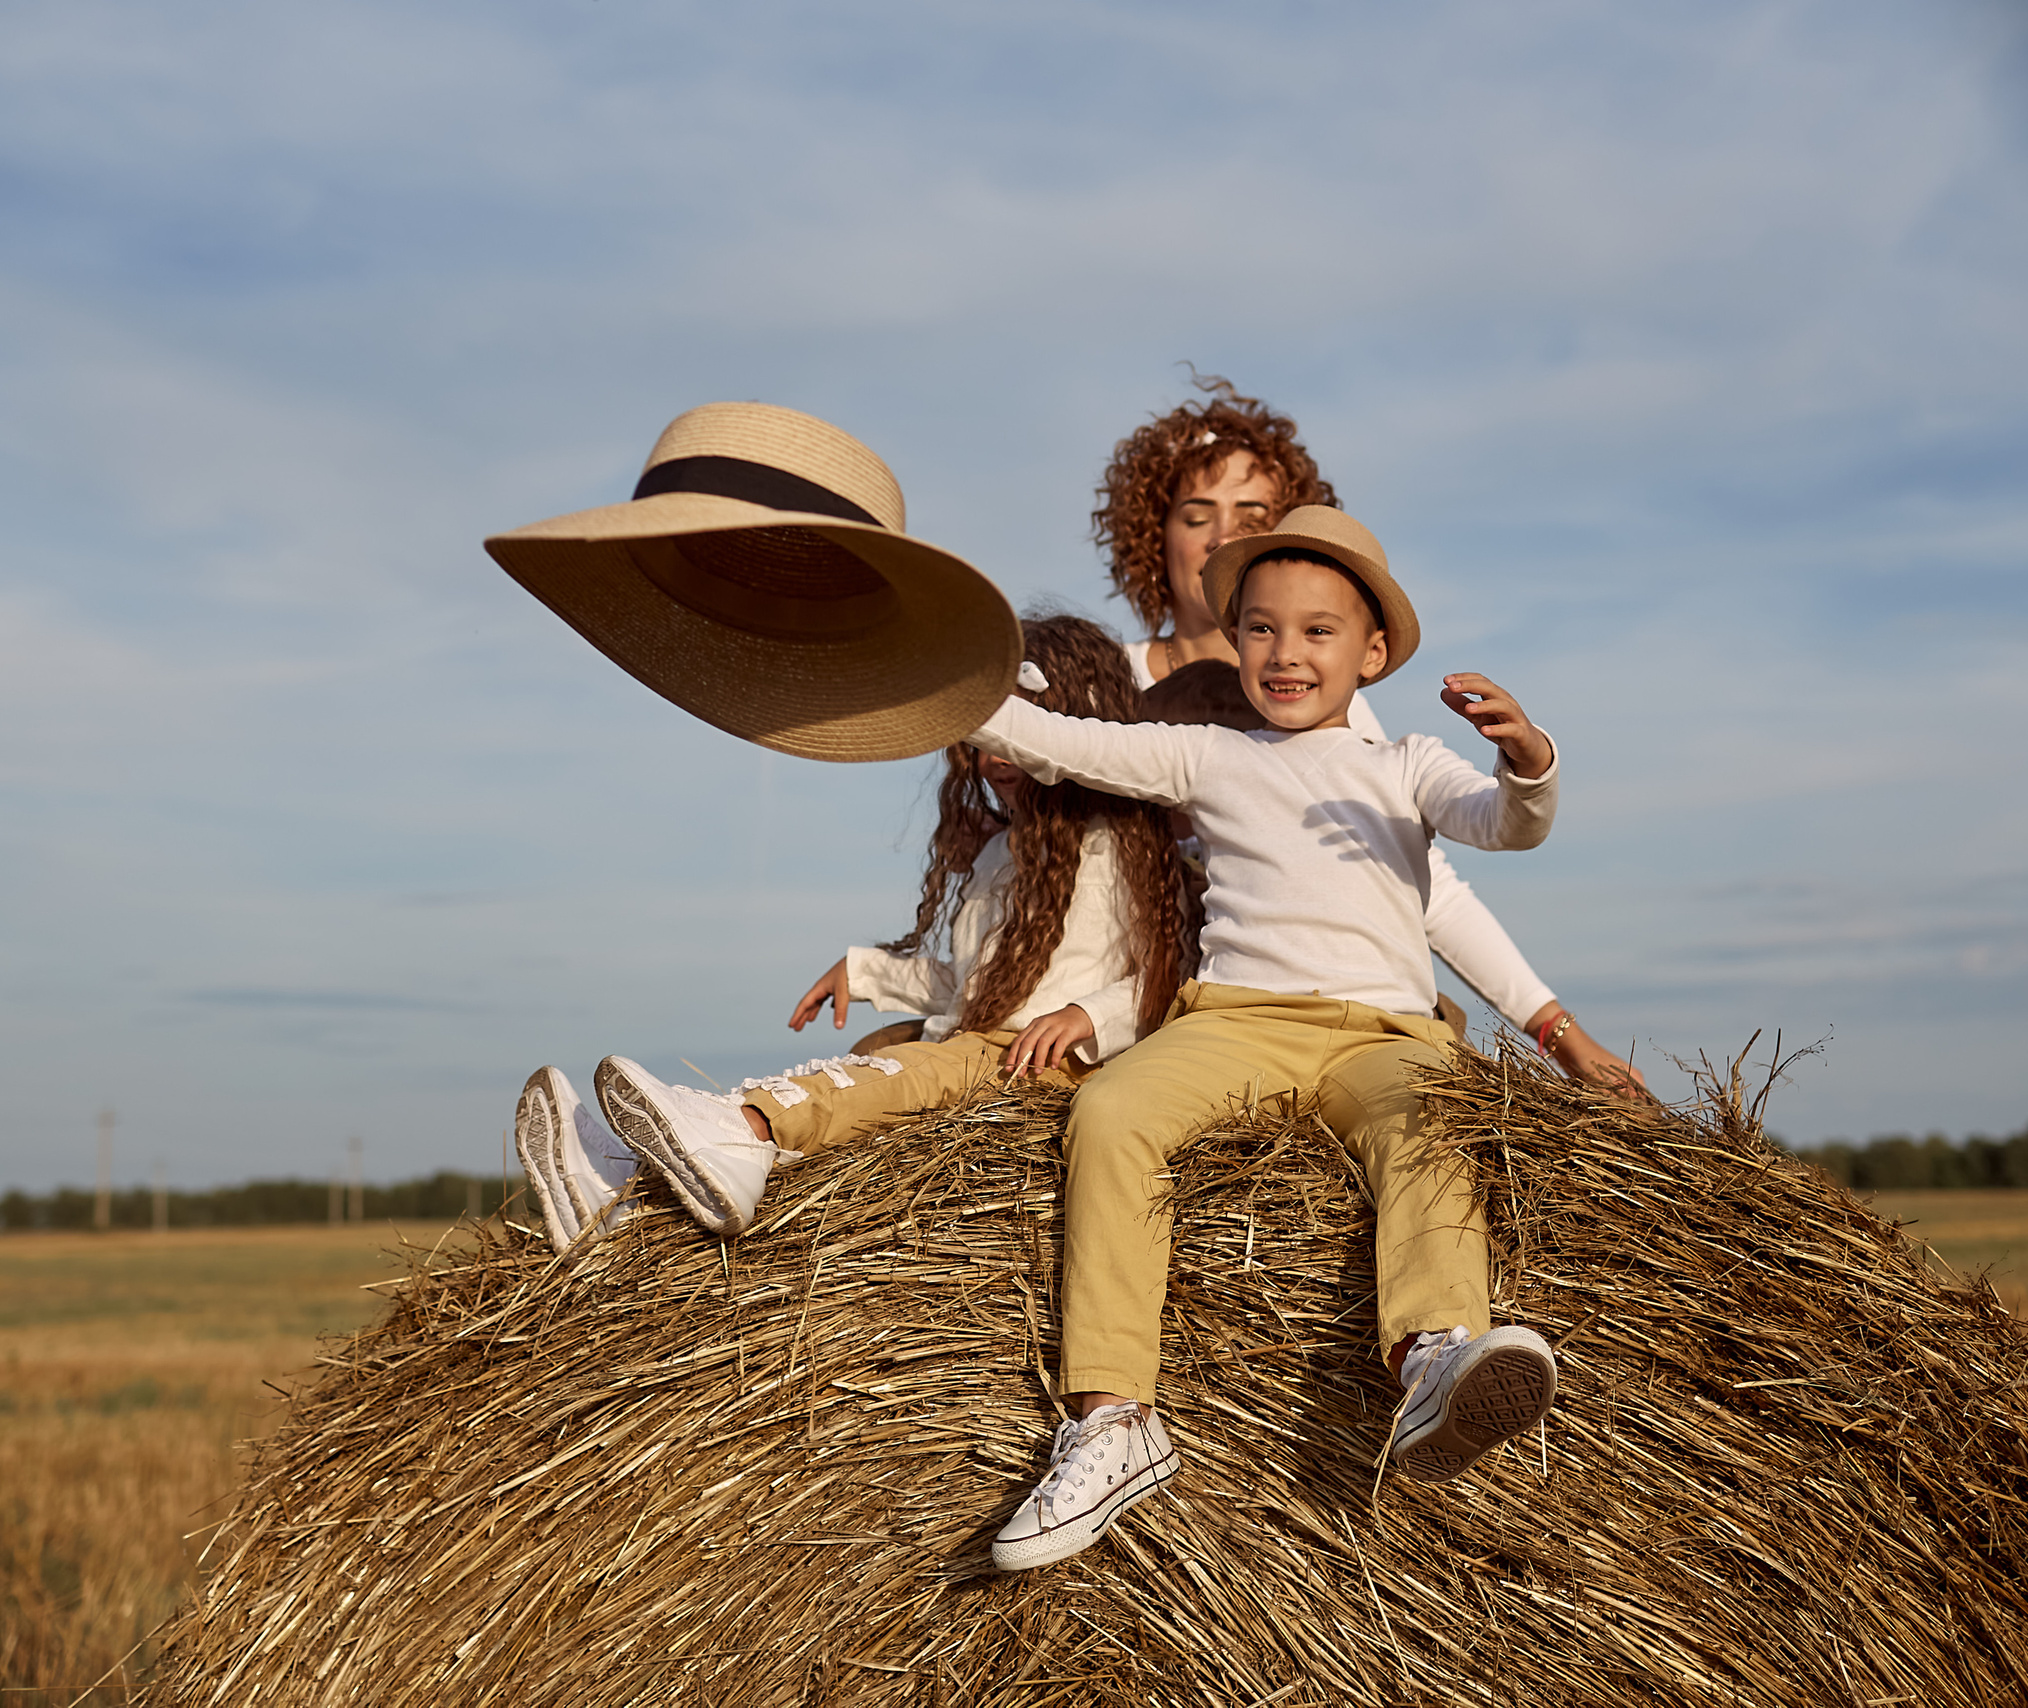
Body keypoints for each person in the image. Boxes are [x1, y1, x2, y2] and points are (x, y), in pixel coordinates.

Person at [969, 506, 1564, 1572]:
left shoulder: (1408, 764)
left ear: (1371, 651)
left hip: (1381, 1031)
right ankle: (1113, 1417)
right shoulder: (1209, 756)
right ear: (1234, 639)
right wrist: (964, 696)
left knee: (1426, 1119)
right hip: (1235, 1023)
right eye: (1259, 629)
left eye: (1317, 632)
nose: (1285, 654)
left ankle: (1433, 1356)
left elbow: (1502, 824)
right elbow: (1068, 741)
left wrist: (1526, 759)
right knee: (1107, 1111)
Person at [513, 615, 1192, 1244]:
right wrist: (865, 972)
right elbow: (967, 979)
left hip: (1040, 1070)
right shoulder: (999, 854)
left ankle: (743, 1127)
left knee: (882, 1078)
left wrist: (1088, 1014)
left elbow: (1166, 978)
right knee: (864, 1077)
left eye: (1023, 727)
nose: (995, 758)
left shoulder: (1119, 843)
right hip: (974, 1047)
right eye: (984, 738)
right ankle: (628, 1205)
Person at [1093, 379, 1643, 1089]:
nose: (1225, 533)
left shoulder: (1332, 705)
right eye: (1198, 514)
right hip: (1165, 999)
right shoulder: (1107, 684)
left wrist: (1561, 1034)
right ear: (1154, 533)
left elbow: (1424, 885)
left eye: (1253, 513)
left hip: (1339, 1016)